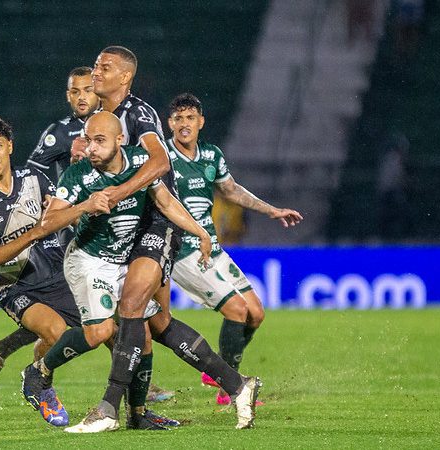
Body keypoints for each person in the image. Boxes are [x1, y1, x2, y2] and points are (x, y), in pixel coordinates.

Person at [66, 48, 262, 433]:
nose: (96, 72)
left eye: (104, 67)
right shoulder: (98, 120)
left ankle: (108, 408)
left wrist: (117, 195)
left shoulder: (138, 114)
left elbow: (159, 164)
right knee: (158, 323)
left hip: (157, 222)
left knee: (132, 304)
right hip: (129, 227)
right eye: (95, 66)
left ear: (124, 77)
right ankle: (238, 386)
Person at [20, 111, 213, 431]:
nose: (90, 147)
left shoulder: (140, 164)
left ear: (120, 140)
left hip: (119, 263)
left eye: (99, 140)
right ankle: (38, 371)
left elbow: (166, 203)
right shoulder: (77, 175)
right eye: (87, 139)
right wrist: (84, 206)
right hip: (86, 260)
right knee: (101, 332)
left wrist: (201, 232)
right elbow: (47, 224)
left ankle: (138, 415)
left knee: (144, 336)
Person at [157, 93, 303, 406]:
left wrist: (271, 210)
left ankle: (218, 372)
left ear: (201, 122)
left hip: (213, 246)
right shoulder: (162, 157)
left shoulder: (211, 155)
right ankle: (230, 387)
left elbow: (231, 190)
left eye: (190, 118)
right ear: (169, 123)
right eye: (178, 118)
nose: (184, 124)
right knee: (237, 310)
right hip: (182, 250)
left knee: (256, 314)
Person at [0, 116, 109, 427]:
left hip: (55, 272)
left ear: (10, 147)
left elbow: (63, 213)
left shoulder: (34, 179)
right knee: (56, 333)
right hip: (14, 283)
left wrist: (76, 215)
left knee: (103, 326)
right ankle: (42, 387)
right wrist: (31, 234)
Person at [27, 66, 100, 180]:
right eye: (75, 92)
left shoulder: (115, 121)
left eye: (88, 90)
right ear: (68, 96)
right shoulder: (60, 131)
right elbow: (31, 173)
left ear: (98, 91)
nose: (81, 97)